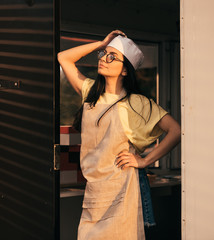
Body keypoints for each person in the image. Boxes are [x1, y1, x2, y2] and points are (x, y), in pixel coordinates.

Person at [57, 30, 181, 240]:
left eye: (112, 56)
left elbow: (175, 130)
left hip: (122, 190)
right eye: (103, 54)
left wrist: (144, 161)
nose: (104, 59)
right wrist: (101, 43)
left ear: (125, 70)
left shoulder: (138, 103)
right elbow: (63, 58)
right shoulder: (90, 92)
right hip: (94, 191)